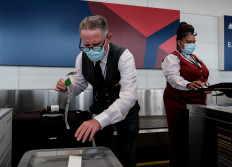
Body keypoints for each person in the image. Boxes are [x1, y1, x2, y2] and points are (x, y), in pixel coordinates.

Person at [55, 15, 140, 167]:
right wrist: (67, 86)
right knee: (102, 151)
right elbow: (78, 83)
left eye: (96, 45)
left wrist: (98, 121)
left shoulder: (124, 56)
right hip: (100, 108)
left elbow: (128, 97)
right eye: (86, 45)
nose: (90, 50)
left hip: (126, 111)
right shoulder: (81, 57)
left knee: (126, 153)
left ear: (108, 38)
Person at [161, 22, 210, 167]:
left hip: (197, 105)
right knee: (179, 139)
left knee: (194, 139)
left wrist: (205, 84)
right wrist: (188, 84)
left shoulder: (194, 58)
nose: (192, 45)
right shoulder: (172, 58)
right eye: (189, 42)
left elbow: (201, 76)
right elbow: (173, 78)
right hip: (179, 104)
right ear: (179, 42)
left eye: (193, 42)